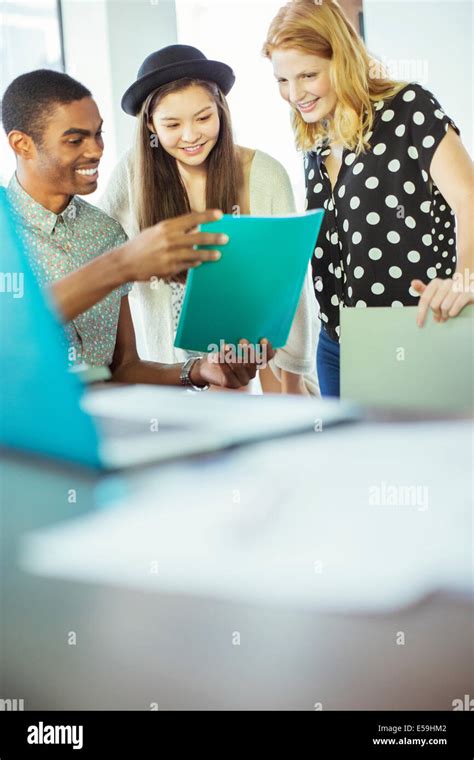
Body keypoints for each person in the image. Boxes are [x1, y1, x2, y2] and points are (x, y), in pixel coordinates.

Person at [1, 69, 273, 390]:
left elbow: (124, 367)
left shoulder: (104, 232)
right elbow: (11, 327)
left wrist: (200, 369)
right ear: (22, 144)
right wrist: (121, 265)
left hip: (108, 425)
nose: (95, 150)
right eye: (75, 140)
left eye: (98, 134)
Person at [262, 0, 474, 397]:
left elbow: (469, 196)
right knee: (349, 461)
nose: (295, 94)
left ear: (342, 59)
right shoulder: (316, 139)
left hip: (411, 333)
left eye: (308, 75)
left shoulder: (409, 108)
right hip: (334, 345)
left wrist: (466, 277)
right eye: (282, 80)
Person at [100, 45, 319, 395]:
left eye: (203, 118)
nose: (191, 136)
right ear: (150, 127)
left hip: (253, 370)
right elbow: (103, 260)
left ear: (221, 111)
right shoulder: (132, 174)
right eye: (172, 124)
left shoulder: (263, 175)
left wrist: (291, 382)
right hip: (169, 373)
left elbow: (291, 286)